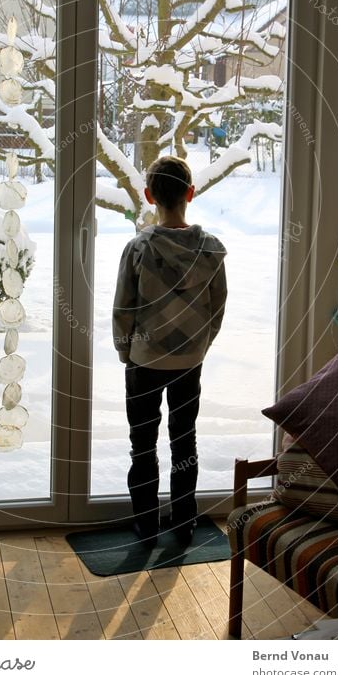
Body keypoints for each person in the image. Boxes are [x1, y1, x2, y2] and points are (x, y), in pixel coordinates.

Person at [112, 155, 227, 548]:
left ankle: (146, 523)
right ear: (190, 194)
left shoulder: (138, 249)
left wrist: (126, 352)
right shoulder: (210, 250)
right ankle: (183, 520)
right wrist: (200, 346)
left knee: (142, 443)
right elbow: (217, 307)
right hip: (188, 361)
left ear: (148, 195)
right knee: (185, 439)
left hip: (144, 360)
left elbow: (123, 309)